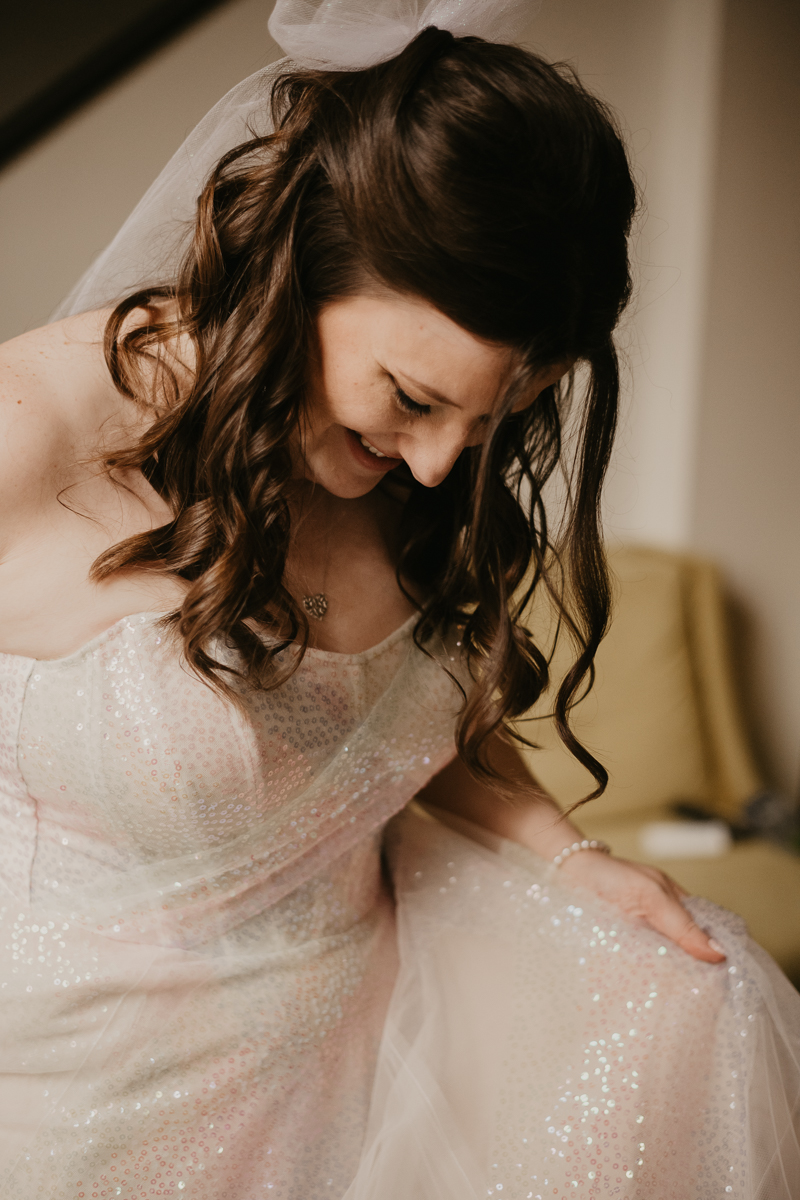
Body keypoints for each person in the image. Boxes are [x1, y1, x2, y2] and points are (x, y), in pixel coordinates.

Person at [0, 2, 798, 1197]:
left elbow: (395, 743)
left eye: (495, 419)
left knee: (698, 988)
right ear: (304, 261)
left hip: (368, 1096)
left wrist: (576, 860)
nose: (439, 467)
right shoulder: (33, 435)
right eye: (413, 399)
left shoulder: (414, 484)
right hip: (86, 1127)